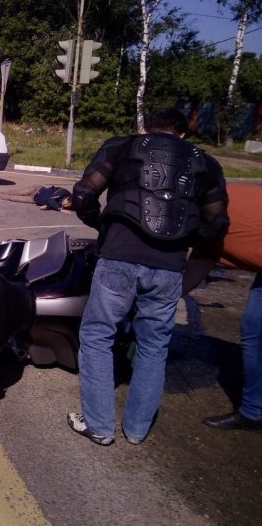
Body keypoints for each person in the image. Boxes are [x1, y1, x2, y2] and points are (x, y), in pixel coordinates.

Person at [67, 107, 229, 445]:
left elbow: (84, 193)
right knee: (154, 346)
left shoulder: (122, 146)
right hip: (169, 266)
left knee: (98, 336)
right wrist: (187, 241)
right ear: (183, 133)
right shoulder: (206, 163)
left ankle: (99, 426)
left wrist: (103, 226)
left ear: (146, 127)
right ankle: (137, 430)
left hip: (119, 256)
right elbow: (217, 223)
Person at [182, 182, 262, 432]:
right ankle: (254, 410)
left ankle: (254, 412)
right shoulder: (209, 203)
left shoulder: (205, 211)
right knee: (254, 327)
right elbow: (199, 264)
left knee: (256, 331)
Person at [0, 185, 72, 212]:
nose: (65, 205)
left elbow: (50, 203)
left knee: (12, 198)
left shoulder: (60, 204)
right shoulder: (63, 192)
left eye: (66, 206)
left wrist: (47, 207)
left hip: (33, 200)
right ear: (68, 198)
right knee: (14, 192)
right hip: (36, 189)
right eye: (66, 203)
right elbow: (51, 199)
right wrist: (60, 209)